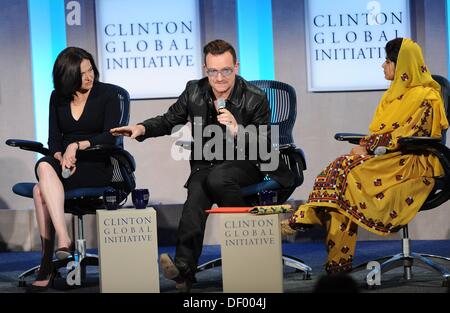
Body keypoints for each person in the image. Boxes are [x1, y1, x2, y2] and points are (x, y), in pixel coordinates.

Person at [111, 39, 295, 292]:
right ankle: (183, 271)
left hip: (246, 162)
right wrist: (141, 128)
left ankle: (248, 250)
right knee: (195, 199)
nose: (219, 78)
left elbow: (263, 144)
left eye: (226, 71)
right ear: (205, 69)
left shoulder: (255, 98)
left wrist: (235, 129)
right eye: (212, 71)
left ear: (236, 67)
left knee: (218, 178)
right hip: (206, 164)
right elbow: (169, 120)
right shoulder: (194, 91)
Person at [281, 38, 449, 274]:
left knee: (345, 170)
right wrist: (370, 147)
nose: (383, 65)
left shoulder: (427, 97)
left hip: (414, 162)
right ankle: (336, 261)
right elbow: (385, 133)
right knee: (342, 180)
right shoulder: (394, 95)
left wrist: (368, 148)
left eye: (388, 61)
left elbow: (406, 136)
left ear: (401, 66)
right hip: (390, 159)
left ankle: (305, 217)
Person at [29, 47, 122, 291]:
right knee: (44, 164)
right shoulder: (57, 97)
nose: (89, 76)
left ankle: (47, 264)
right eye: (81, 74)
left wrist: (76, 146)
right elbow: (53, 139)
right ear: (68, 77)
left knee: (40, 192)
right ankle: (63, 237)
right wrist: (60, 154)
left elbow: (111, 137)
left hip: (95, 162)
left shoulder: (108, 94)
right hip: (65, 165)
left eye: (90, 69)